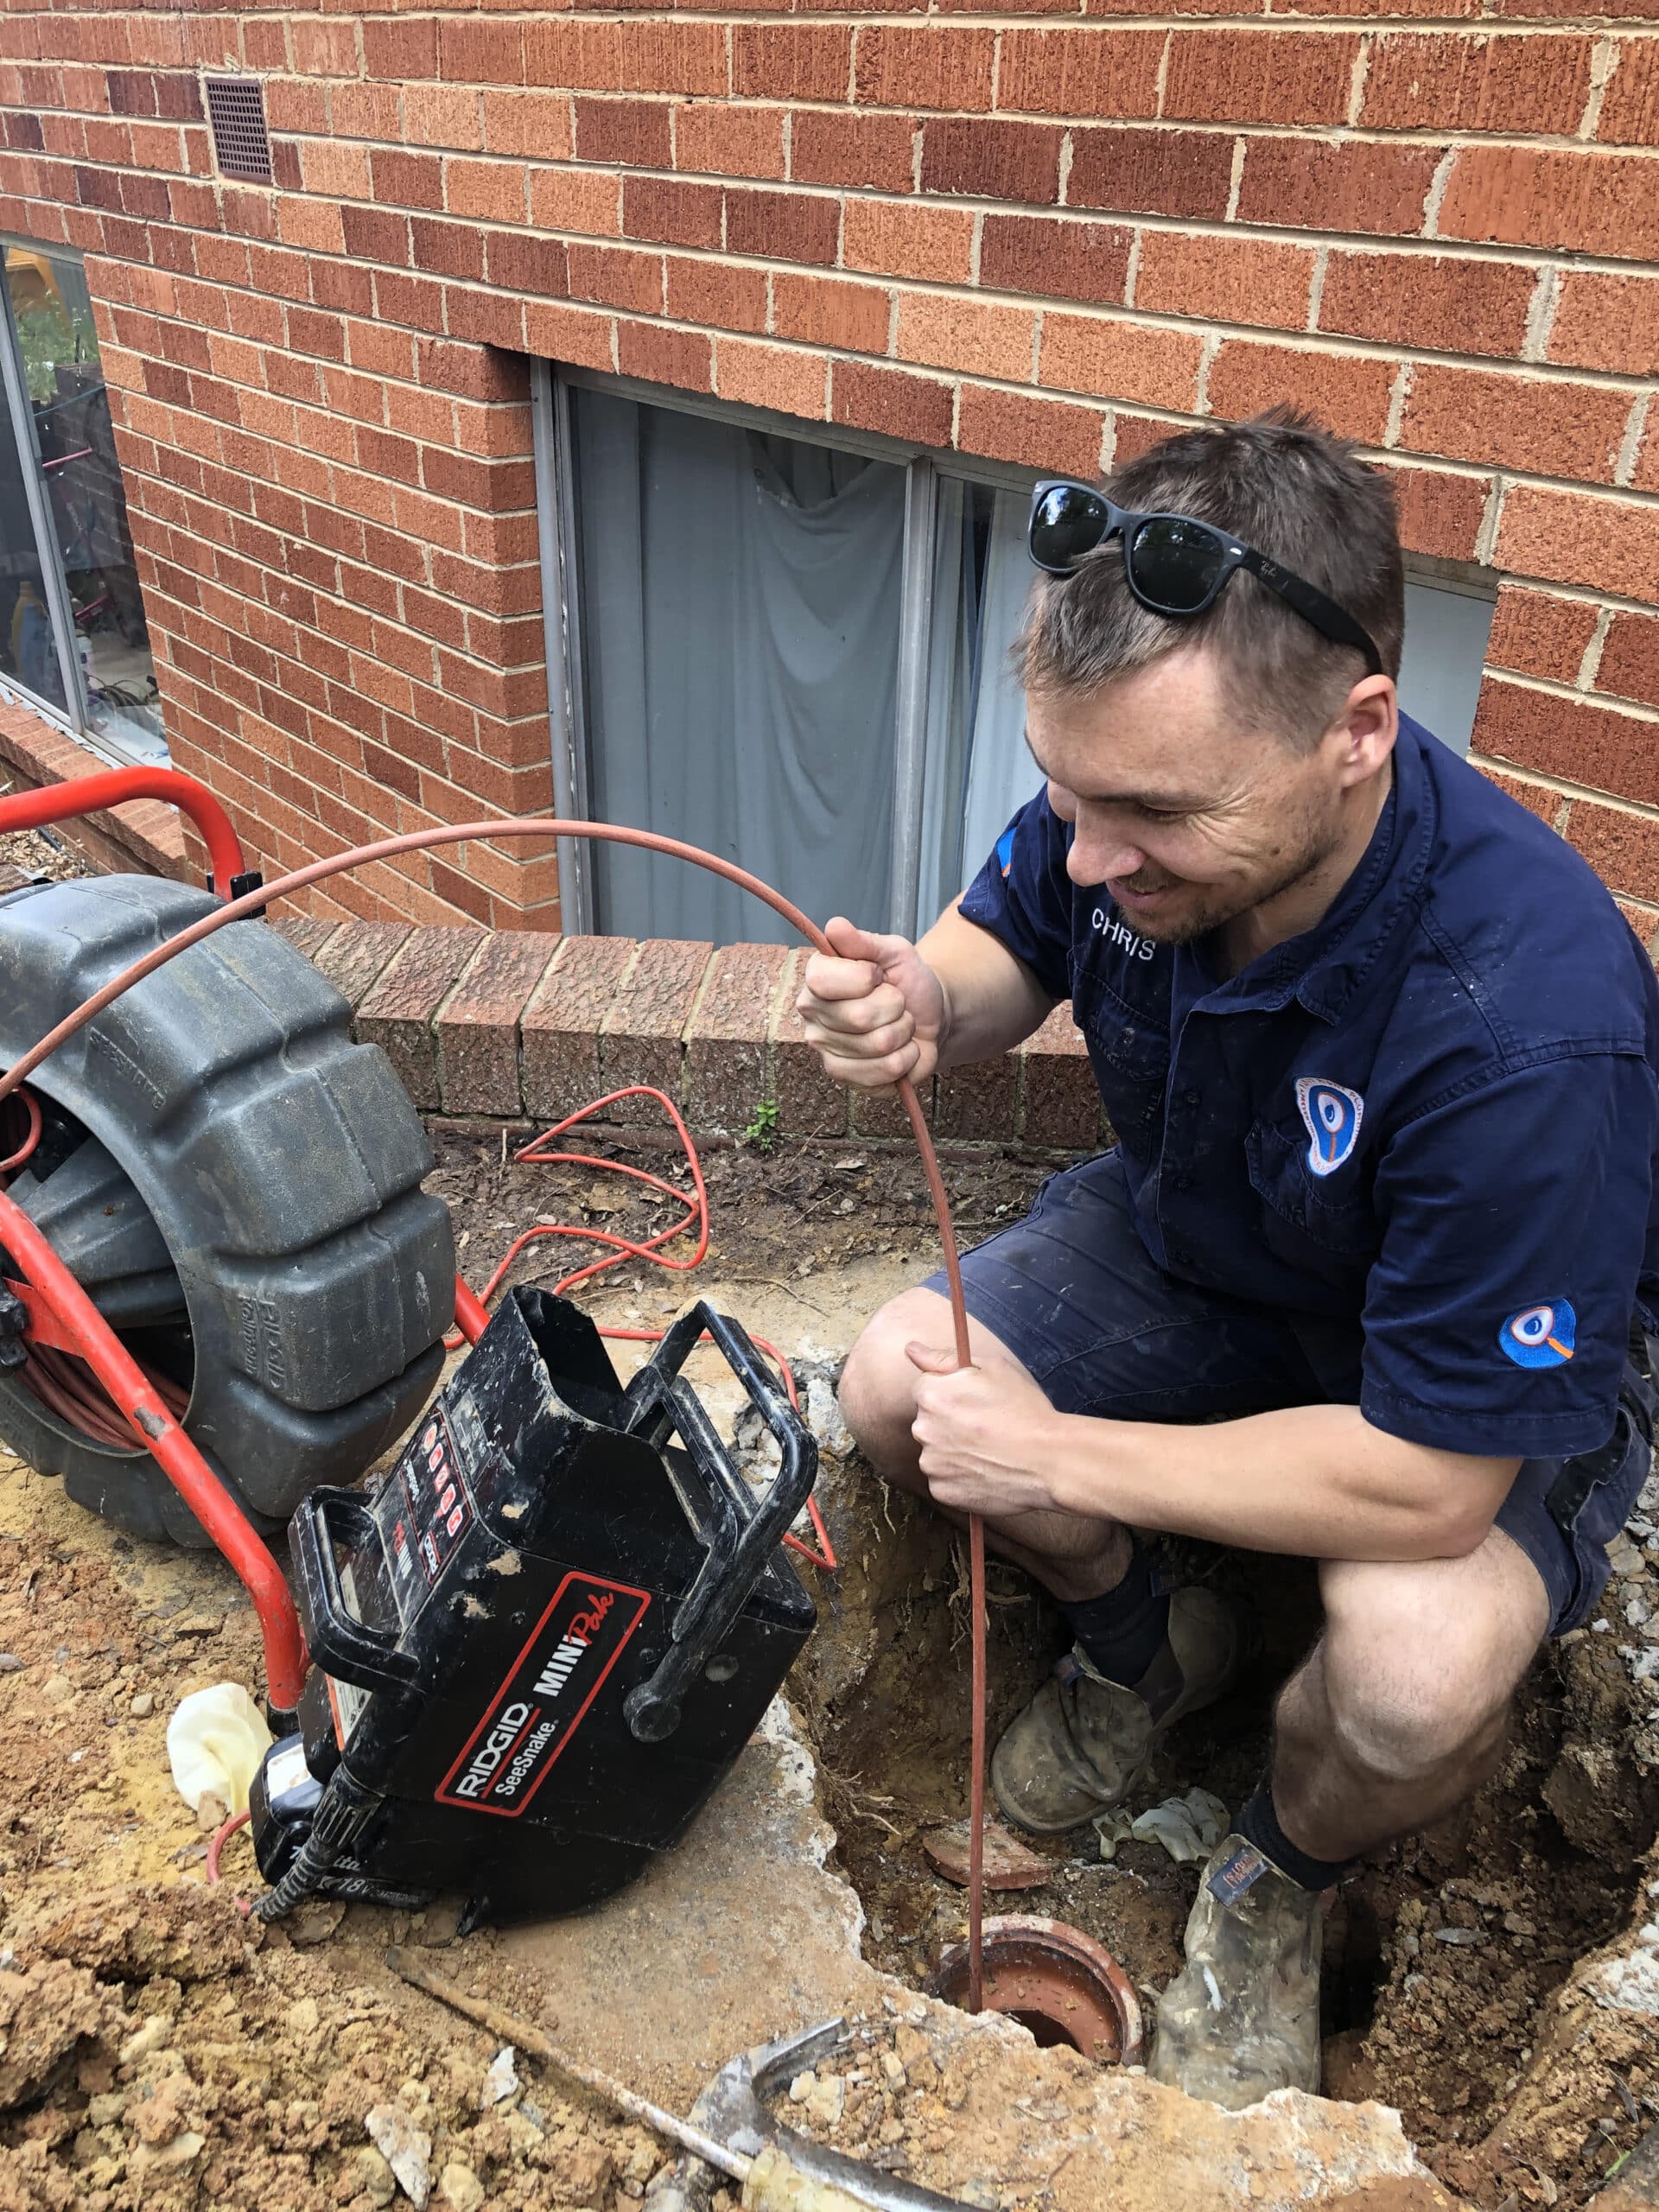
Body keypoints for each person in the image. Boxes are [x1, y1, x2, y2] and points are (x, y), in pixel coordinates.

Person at [795, 410, 1659, 2109]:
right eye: (1065, 791)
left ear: (1355, 732)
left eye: (1148, 816)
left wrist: (1055, 1453)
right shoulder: (1122, 791)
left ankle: (1274, 1875)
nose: (1090, 850)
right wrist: (921, 999)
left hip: (1446, 1366)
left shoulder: (1527, 1027)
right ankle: (1143, 1653)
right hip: (1207, 1238)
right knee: (902, 1381)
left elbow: (1424, 1486)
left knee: (1414, 1671)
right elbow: (1004, 951)